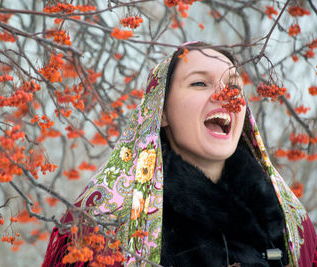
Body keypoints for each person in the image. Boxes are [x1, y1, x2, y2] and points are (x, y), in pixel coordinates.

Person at [42, 42, 317, 267]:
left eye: (234, 86)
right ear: (161, 110)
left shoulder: (291, 222)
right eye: (200, 83)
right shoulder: (109, 219)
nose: (224, 96)